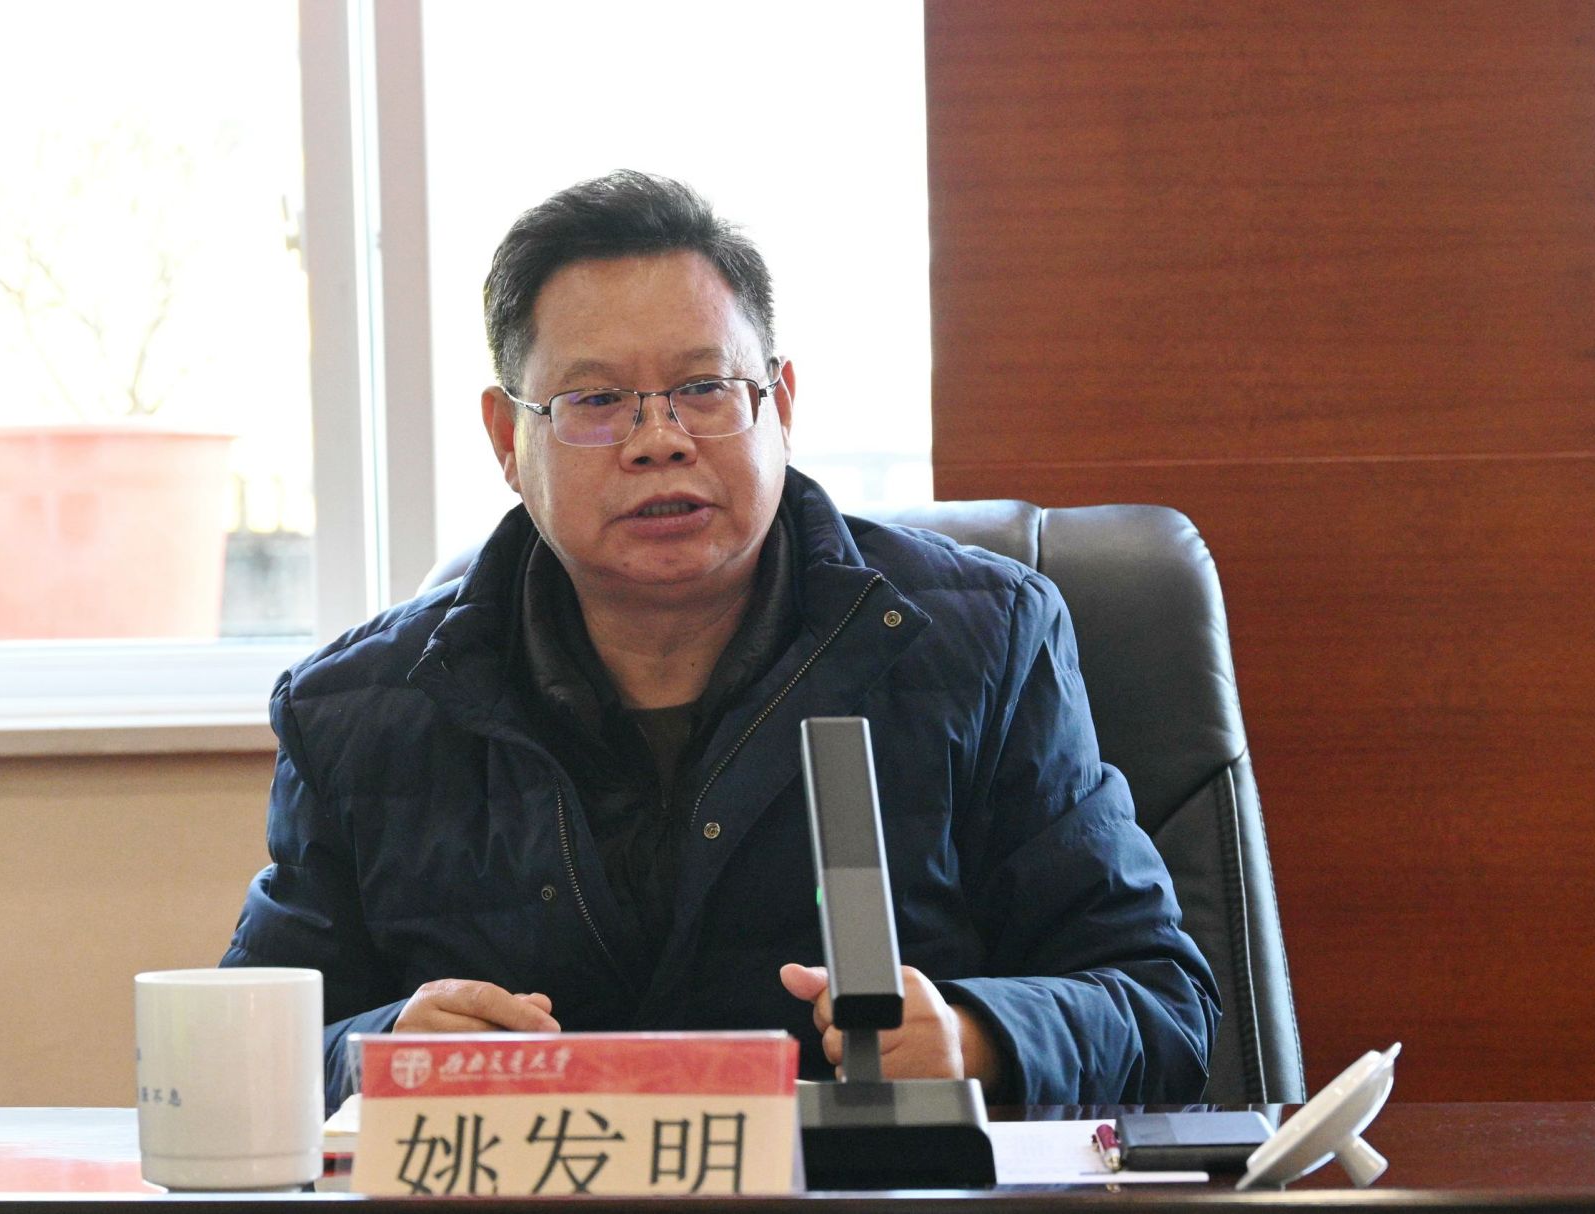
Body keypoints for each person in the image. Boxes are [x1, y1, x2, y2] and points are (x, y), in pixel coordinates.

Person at [224, 170, 1218, 1112]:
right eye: (596, 401)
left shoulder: (982, 644)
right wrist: (379, 1049)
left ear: (778, 406)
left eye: (704, 387)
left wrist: (975, 1037)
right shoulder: (358, 713)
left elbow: (1161, 1003)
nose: (659, 439)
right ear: (505, 439)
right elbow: (240, 1049)